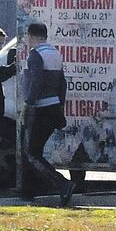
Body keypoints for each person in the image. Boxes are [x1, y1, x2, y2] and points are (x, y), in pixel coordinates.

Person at [21, 22, 75, 206]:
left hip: (41, 108)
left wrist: (28, 104)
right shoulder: (55, 53)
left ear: (31, 35)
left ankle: (62, 184)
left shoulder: (35, 54)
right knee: (36, 151)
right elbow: (62, 83)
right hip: (54, 106)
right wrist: (60, 105)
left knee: (32, 152)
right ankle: (31, 189)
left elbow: (36, 82)